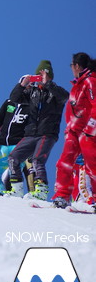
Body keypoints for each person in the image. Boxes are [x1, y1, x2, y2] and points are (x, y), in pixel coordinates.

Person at [5, 60, 68, 201]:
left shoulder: (55, 92)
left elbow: (65, 96)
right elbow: (14, 98)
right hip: (31, 133)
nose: (40, 78)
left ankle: (42, 190)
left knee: (37, 160)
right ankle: (17, 189)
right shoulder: (32, 92)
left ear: (49, 76)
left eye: (43, 75)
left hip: (47, 133)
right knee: (13, 158)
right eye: (38, 75)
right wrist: (22, 85)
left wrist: (48, 84)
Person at [52, 53, 96, 208]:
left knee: (92, 166)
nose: (71, 69)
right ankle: (62, 196)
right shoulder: (77, 84)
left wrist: (91, 127)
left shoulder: (90, 81)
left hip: (87, 131)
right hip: (74, 131)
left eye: (72, 66)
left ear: (77, 66)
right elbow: (74, 110)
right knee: (64, 162)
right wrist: (69, 129)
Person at [0, 98, 29, 195]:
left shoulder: (32, 104)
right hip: (3, 145)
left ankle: (16, 194)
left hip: (19, 145)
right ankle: (0, 193)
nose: (27, 86)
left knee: (13, 173)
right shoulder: (10, 102)